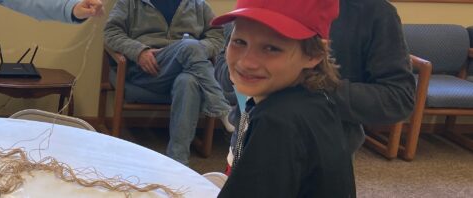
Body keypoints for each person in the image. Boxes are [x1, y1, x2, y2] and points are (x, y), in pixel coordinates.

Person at [219, 0, 417, 171]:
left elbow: (399, 98)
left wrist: (308, 85)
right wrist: (245, 74)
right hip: (246, 140)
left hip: (319, 156)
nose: (249, 60)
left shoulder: (373, 12)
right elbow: (222, 68)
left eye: (272, 48)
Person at [211, 0, 356, 196]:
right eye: (239, 42)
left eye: (271, 48)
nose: (247, 62)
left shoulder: (276, 121)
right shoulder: (318, 100)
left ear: (314, 54)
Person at [103, 0, 229, 164]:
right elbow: (111, 33)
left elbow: (217, 35)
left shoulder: (198, 5)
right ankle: (221, 106)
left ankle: (177, 161)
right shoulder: (129, 3)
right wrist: (138, 51)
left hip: (186, 68)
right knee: (189, 47)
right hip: (146, 70)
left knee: (188, 80)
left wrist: (198, 50)